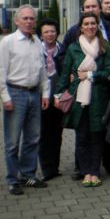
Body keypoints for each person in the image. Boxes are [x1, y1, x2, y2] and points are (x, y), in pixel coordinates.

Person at [62, 0, 110, 178]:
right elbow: (65, 59)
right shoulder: (73, 34)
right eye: (87, 7)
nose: (90, 10)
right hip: (80, 93)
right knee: (82, 134)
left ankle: (107, 166)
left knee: (101, 131)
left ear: (99, 8)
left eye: (93, 6)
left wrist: (90, 75)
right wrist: (68, 79)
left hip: (104, 91)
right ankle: (82, 169)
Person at [54, 12, 110, 188]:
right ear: (81, 27)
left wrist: (89, 75)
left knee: (96, 136)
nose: (90, 26)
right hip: (78, 98)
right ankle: (85, 171)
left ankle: (95, 172)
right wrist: (58, 94)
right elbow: (66, 73)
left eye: (93, 23)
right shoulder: (73, 48)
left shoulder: (105, 47)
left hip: (99, 98)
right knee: (82, 137)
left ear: (97, 25)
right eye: (86, 24)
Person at [0, 5, 50, 195]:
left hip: (34, 94)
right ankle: (13, 179)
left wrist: (45, 93)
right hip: (15, 94)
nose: (29, 21)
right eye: (25, 18)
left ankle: (28, 174)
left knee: (33, 138)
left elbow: (43, 70)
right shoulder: (7, 42)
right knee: (12, 141)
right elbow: (1, 71)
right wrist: (5, 97)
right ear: (17, 21)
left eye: (32, 18)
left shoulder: (37, 42)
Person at [37, 18, 65, 182]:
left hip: (59, 99)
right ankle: (46, 169)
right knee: (44, 135)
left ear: (57, 33)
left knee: (57, 134)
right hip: (42, 99)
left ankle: (55, 167)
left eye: (52, 31)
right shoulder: (36, 51)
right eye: (46, 32)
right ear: (41, 34)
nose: (50, 34)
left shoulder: (62, 50)